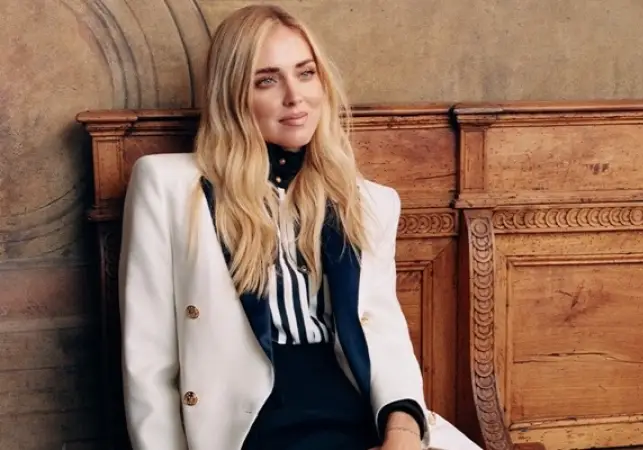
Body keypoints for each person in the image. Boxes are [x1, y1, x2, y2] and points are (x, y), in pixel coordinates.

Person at [118, 4, 481, 450]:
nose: (295, 96)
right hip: (246, 424)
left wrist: (403, 429)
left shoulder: (367, 200)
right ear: (232, 96)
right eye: (267, 80)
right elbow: (148, 361)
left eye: (306, 73)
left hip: (356, 411)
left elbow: (382, 331)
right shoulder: (168, 187)